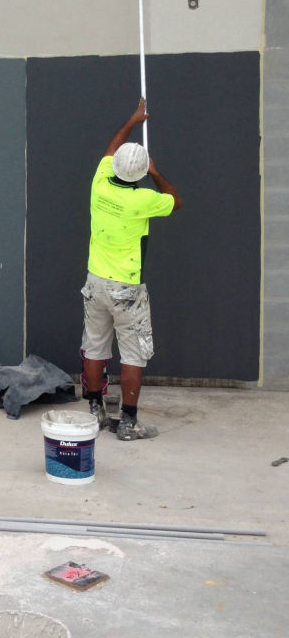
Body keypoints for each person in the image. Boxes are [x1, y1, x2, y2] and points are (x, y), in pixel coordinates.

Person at [81, 98, 181, 440]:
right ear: (137, 173)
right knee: (133, 354)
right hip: (127, 288)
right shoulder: (143, 201)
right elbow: (175, 200)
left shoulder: (99, 183)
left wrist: (132, 120)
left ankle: (95, 411)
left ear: (114, 166)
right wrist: (155, 172)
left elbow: (111, 150)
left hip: (95, 282)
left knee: (95, 348)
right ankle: (127, 422)